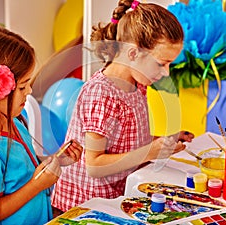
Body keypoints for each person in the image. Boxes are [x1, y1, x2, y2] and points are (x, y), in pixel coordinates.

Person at [51, 0, 194, 213]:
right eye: (161, 63)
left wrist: (163, 141)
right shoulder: (102, 95)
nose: (166, 73)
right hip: (82, 208)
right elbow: (94, 165)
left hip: (115, 198)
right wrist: (150, 152)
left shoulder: (138, 84)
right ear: (133, 54)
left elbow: (125, 141)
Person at [0, 23, 83, 225]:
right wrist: (37, 185)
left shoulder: (14, 122)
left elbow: (20, 171)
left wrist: (56, 160)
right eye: (23, 87)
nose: (30, 92)